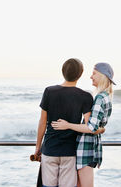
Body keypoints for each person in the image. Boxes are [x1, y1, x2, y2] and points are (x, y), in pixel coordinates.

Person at [52, 62, 115, 187]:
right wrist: (101, 129)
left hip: (85, 147)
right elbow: (98, 127)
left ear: (102, 76)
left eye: (94, 74)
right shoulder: (107, 96)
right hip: (92, 145)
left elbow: (91, 127)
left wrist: (68, 125)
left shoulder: (100, 98)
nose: (91, 76)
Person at [34, 58, 95, 187]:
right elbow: (88, 126)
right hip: (70, 151)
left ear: (62, 72)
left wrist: (38, 147)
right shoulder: (85, 96)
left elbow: (42, 122)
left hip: (50, 149)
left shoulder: (49, 91)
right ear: (80, 74)